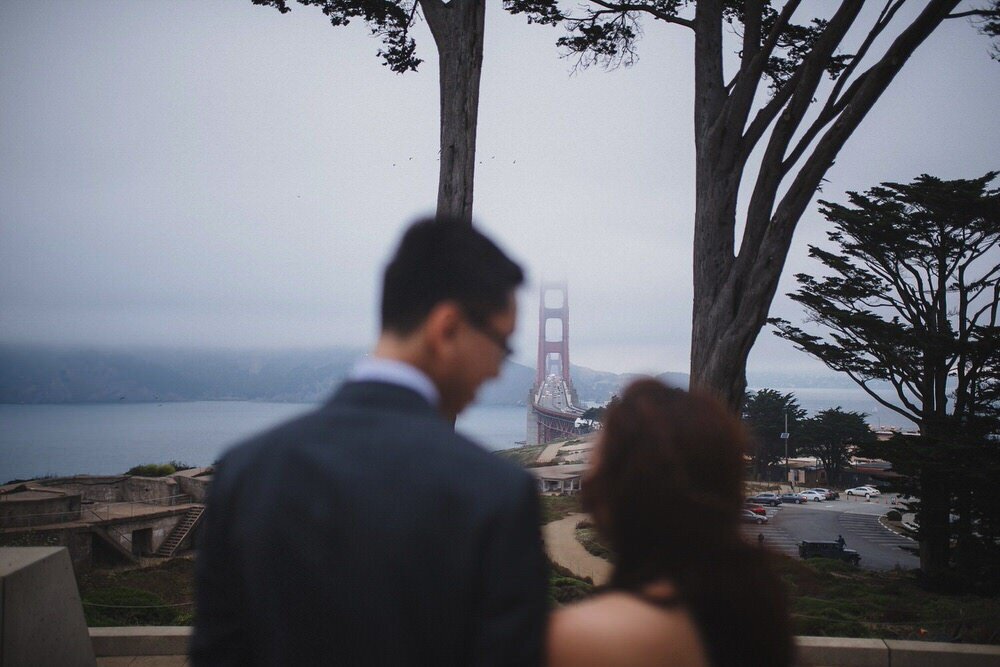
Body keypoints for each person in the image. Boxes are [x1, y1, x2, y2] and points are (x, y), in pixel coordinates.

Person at [190, 217, 548, 666]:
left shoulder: (246, 471)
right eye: (502, 344)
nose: (500, 370)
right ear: (448, 328)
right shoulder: (496, 493)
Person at [548, 379, 793, 667]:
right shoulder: (759, 606)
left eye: (596, 462)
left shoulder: (584, 637)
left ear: (623, 489)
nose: (588, 478)